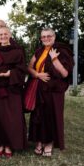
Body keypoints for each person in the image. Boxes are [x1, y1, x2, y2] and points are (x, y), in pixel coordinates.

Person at [28, 28, 74, 156]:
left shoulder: (62, 51)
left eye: (49, 36)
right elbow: (29, 67)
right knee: (38, 116)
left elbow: (65, 73)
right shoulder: (39, 51)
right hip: (39, 88)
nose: (46, 38)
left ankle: (49, 142)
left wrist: (54, 59)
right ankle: (38, 141)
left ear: (54, 37)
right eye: (43, 37)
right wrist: (37, 75)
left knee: (51, 116)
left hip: (54, 90)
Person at [0, 27, 27, 157]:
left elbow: (21, 69)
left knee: (12, 117)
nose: (3, 36)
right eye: (0, 34)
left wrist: (10, 73)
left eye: (5, 34)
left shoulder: (18, 51)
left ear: (10, 34)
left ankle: (9, 144)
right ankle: (1, 143)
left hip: (12, 87)